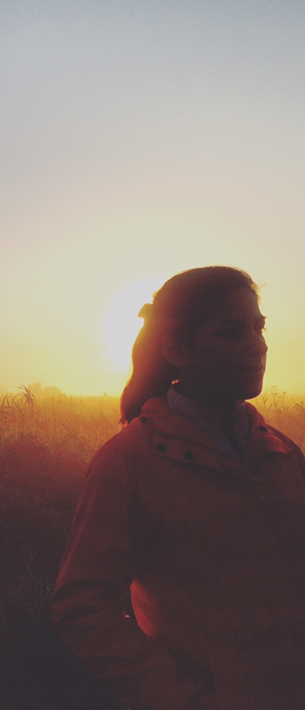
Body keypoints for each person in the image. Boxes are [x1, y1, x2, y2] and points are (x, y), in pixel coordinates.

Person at [51, 266, 305, 710]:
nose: (258, 344)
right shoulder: (129, 461)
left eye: (258, 327)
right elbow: (83, 604)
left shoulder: (282, 453)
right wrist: (181, 700)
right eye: (230, 331)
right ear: (177, 349)